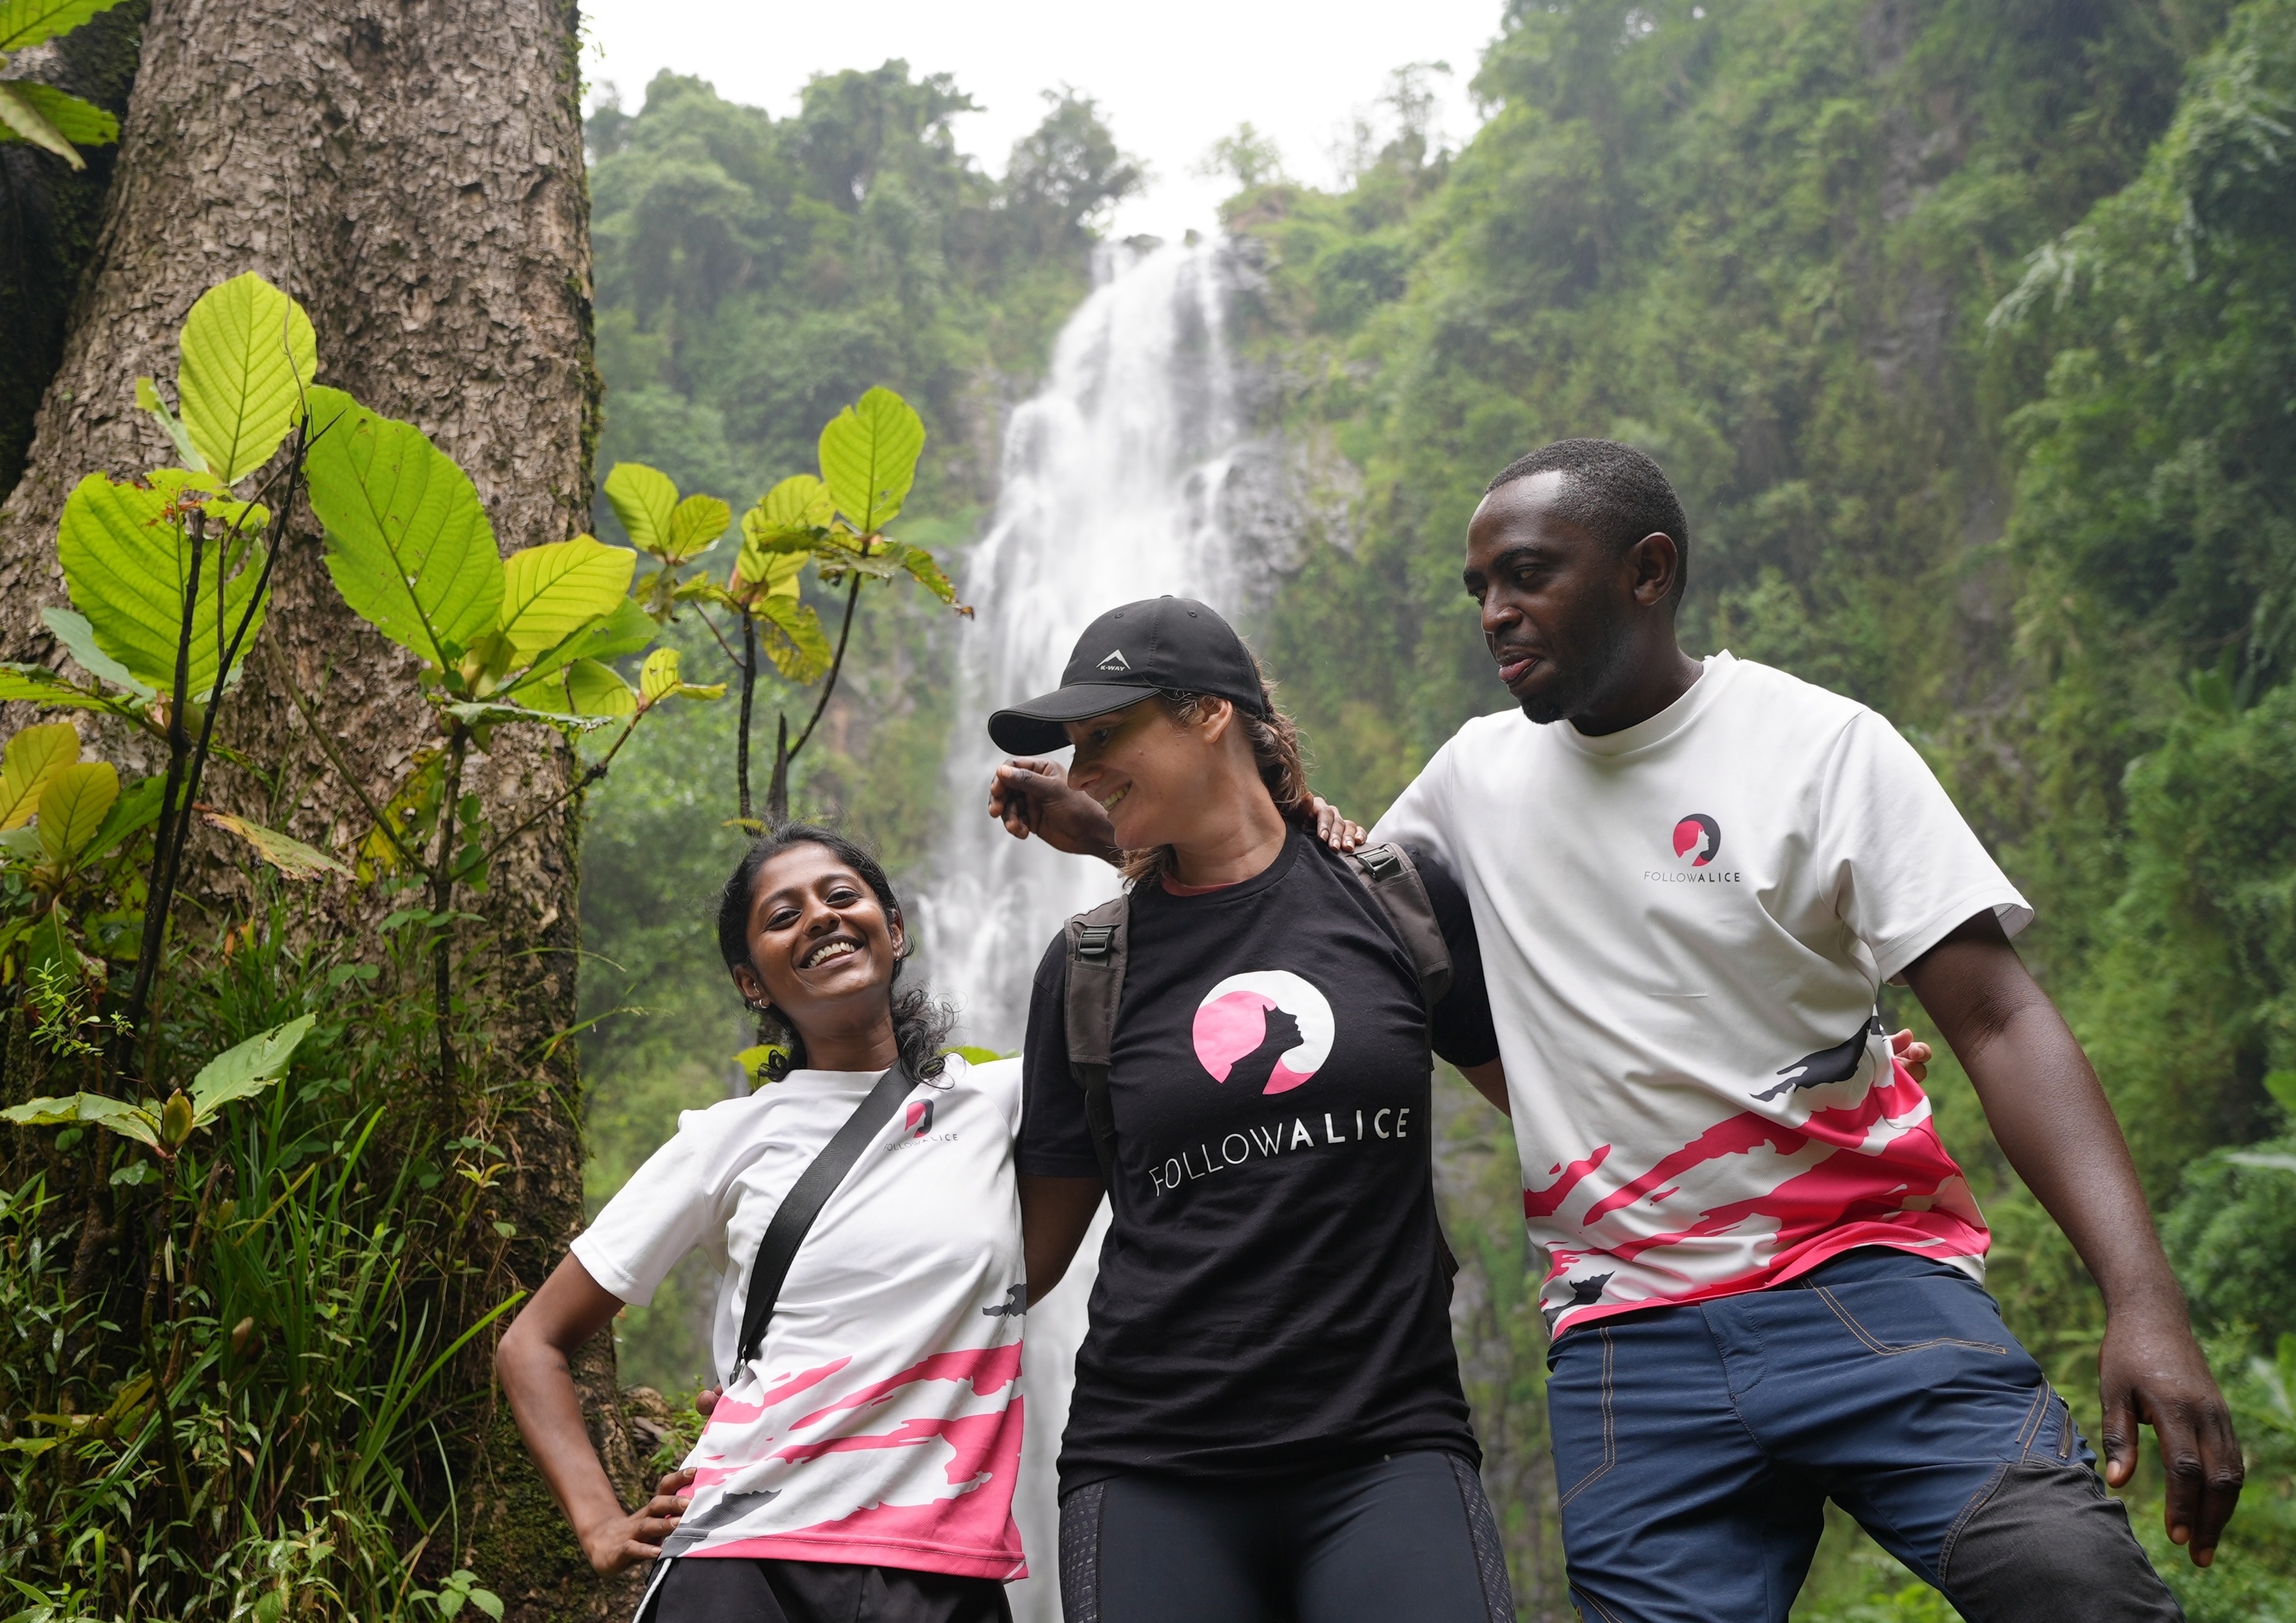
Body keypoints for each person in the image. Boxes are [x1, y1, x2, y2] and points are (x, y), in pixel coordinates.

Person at [1353, 438, 2240, 1621]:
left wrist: (2142, 1299)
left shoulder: (1818, 746)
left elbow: (1998, 1014)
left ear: (1646, 570)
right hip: (1628, 1338)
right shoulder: (1470, 780)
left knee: (2074, 1587)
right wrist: (1126, 829)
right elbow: (1323, 902)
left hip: (1864, 1283)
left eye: (1524, 575)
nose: (1495, 612)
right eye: (1478, 590)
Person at [986, 595, 1521, 1623]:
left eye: (1105, 735)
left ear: (1209, 714)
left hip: (1389, 1443)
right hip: (1152, 1463)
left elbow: (1552, 1105)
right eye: (1072, 747)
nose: (1080, 768)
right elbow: (1026, 1254)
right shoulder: (1089, 964)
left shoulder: (1394, 899)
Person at [496, 826, 1027, 1623]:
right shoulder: (726, 1138)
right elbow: (530, 1343)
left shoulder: (999, 1103)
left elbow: (1159, 977)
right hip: (744, 1563)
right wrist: (599, 1522)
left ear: (896, 928)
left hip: (943, 1567)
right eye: (783, 916)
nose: (819, 917)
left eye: (841, 896)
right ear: (753, 983)